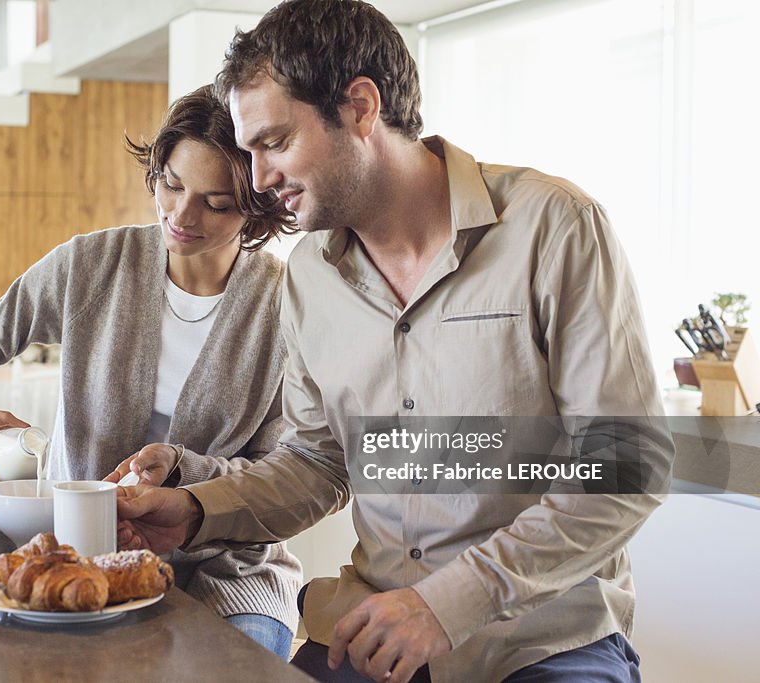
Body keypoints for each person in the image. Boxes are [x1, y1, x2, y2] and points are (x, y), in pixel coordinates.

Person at [115, 2, 674, 682]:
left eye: (274, 142)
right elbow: (319, 464)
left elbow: (626, 467)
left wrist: (447, 603)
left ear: (359, 106)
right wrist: (198, 509)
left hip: (543, 640)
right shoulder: (312, 278)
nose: (258, 178)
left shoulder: (551, 227)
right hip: (373, 634)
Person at [0, 85, 302, 658]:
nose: (181, 215)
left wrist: (180, 470)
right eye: (170, 184)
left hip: (230, 574)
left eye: (216, 202)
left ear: (258, 205)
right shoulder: (90, 266)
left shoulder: (287, 308)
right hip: (81, 558)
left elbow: (284, 473)